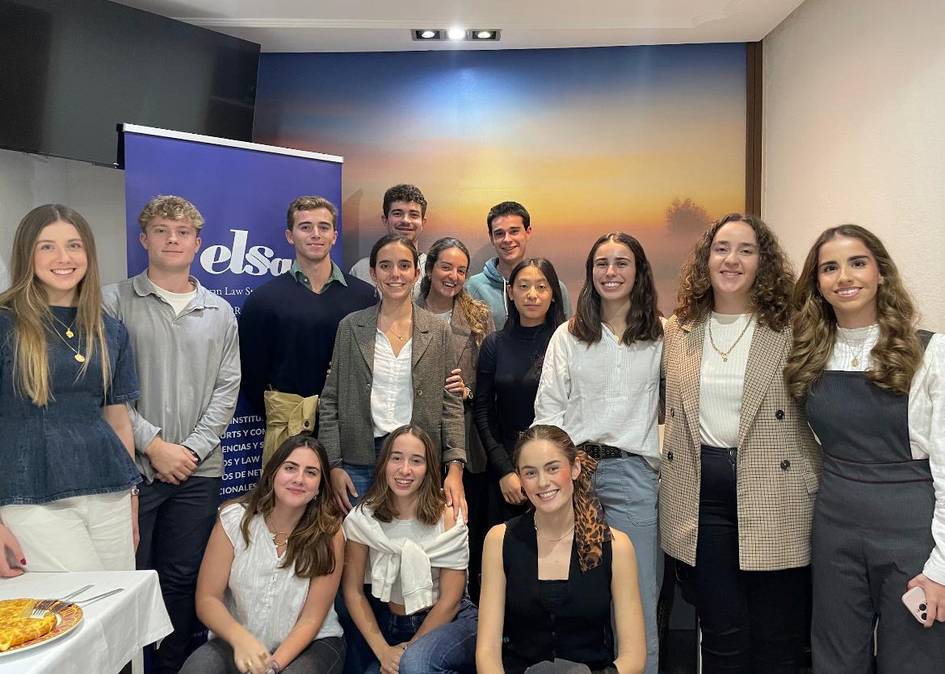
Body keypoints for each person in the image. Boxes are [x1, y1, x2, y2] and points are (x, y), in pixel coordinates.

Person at [660, 213, 820, 672]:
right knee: (721, 631)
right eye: (722, 249)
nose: (732, 259)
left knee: (778, 636)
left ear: (762, 262)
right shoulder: (680, 330)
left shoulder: (793, 328)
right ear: (706, 260)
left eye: (746, 250)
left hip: (777, 493)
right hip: (701, 498)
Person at [785, 224, 945, 672]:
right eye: (829, 268)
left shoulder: (931, 353)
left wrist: (940, 569)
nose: (844, 277)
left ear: (880, 273)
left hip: (912, 531)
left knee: (915, 657)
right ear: (817, 284)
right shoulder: (808, 355)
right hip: (835, 525)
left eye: (857, 263)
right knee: (835, 656)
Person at [102, 195, 241, 673]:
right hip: (132, 469)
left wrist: (190, 450)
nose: (173, 239)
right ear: (145, 239)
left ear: (198, 244)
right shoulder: (112, 301)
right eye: (162, 231)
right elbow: (105, 388)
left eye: (183, 233)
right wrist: (155, 446)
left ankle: (171, 667)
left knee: (183, 578)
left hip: (198, 472)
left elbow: (228, 389)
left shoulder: (220, 311)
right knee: (130, 577)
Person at [533, 232, 663, 674]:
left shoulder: (661, 335)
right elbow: (547, 413)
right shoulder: (568, 336)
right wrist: (555, 472)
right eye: (602, 263)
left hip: (635, 476)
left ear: (638, 271)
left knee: (638, 597)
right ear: (590, 273)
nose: (611, 272)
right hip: (576, 475)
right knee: (574, 593)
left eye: (622, 262)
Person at [0, 204, 139, 575]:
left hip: (109, 491)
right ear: (26, 254)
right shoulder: (5, 325)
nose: (63, 258)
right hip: (30, 495)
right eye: (47, 247)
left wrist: (131, 496)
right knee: (79, 616)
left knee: (119, 611)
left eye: (74, 246)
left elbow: (118, 419)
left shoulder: (110, 330)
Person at [477, 424, 646, 674]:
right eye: (530, 473)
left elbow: (634, 657)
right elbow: (487, 653)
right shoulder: (499, 540)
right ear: (520, 479)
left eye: (552, 468)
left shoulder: (616, 547)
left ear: (575, 468)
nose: (543, 482)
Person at [318, 234, 466, 516]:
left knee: (411, 546)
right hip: (358, 461)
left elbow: (451, 405)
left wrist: (455, 467)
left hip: (417, 460)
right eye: (385, 266)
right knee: (357, 549)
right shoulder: (351, 327)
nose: (395, 274)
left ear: (417, 272)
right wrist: (333, 465)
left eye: (404, 265)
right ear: (373, 273)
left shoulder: (437, 331)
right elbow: (330, 402)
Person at [181, 434, 345, 674]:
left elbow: (311, 619)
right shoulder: (234, 519)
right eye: (290, 468)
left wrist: (272, 667)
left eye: (311, 473)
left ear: (320, 487)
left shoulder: (330, 534)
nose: (299, 479)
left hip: (311, 644)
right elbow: (208, 599)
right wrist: (241, 640)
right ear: (273, 473)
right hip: (238, 640)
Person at [239, 196, 375, 465]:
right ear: (290, 236)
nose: (315, 234)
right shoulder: (263, 301)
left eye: (324, 227)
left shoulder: (365, 296)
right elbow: (252, 378)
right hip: (289, 432)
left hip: (351, 434)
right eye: (305, 227)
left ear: (335, 236)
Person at [342, 424, 478, 674]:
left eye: (416, 461)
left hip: (452, 621)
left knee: (414, 665)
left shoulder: (447, 515)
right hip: (394, 627)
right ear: (383, 464)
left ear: (428, 469)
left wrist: (406, 654)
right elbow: (353, 592)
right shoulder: (363, 519)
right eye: (396, 458)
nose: (405, 470)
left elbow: (450, 600)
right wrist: (384, 652)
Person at [417, 236, 495, 601]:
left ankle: (466, 612)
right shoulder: (404, 309)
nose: (453, 276)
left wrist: (467, 389)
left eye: (461, 270)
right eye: (446, 267)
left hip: (465, 446)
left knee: (464, 537)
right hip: (414, 440)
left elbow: (493, 381)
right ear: (430, 268)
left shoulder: (479, 316)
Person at [474, 258, 566, 530]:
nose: (532, 295)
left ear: (553, 295)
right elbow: (483, 410)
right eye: (523, 286)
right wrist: (504, 471)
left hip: (556, 469)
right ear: (510, 293)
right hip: (507, 471)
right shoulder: (495, 344)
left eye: (541, 286)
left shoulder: (567, 340)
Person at [466, 201, 571, 330]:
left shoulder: (554, 287)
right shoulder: (473, 287)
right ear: (491, 238)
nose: (507, 239)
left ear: (528, 232)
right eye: (499, 233)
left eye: (514, 231)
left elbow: (567, 338)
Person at [349, 184, 429, 297]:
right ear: (385, 220)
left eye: (413, 215)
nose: (406, 220)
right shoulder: (361, 271)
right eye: (397, 214)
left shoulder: (433, 270)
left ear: (423, 223)